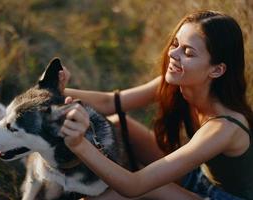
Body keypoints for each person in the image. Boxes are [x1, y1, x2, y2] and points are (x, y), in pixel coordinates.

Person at [58, 10, 253, 200]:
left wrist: (79, 145)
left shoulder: (224, 127)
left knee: (145, 189)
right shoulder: (177, 84)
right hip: (200, 178)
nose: (173, 54)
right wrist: (55, 90)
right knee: (118, 123)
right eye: (176, 44)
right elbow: (111, 102)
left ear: (217, 70)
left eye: (188, 52)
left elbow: (134, 186)